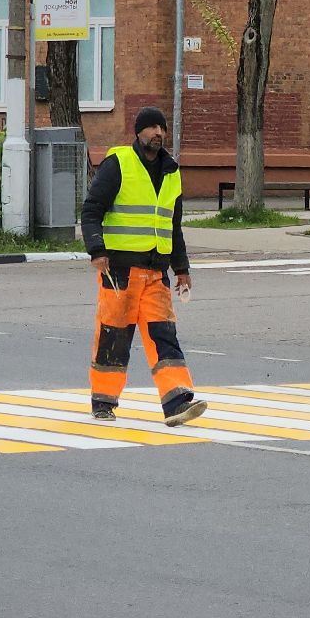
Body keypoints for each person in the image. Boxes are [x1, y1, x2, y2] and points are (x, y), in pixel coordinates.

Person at [80, 107, 208, 426]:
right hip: (119, 271)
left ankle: (177, 400)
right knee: (114, 336)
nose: (157, 133)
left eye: (161, 127)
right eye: (150, 127)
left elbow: (172, 226)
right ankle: (103, 400)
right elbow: (92, 209)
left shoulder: (171, 171)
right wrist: (96, 249)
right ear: (137, 133)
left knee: (164, 335)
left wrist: (182, 269)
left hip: (156, 272)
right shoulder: (119, 164)